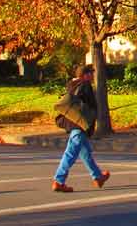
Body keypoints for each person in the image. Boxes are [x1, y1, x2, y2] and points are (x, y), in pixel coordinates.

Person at [52, 64, 110, 193]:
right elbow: (86, 105)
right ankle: (59, 180)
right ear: (85, 74)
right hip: (79, 125)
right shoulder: (84, 85)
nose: (92, 75)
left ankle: (98, 177)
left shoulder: (73, 85)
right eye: (90, 73)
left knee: (85, 153)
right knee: (70, 153)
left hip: (74, 123)